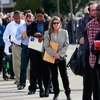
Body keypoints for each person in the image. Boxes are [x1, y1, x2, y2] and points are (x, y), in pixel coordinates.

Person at [43, 16, 71, 100]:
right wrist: (54, 54)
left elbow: (66, 45)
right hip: (52, 57)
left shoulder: (64, 32)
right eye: (54, 23)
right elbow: (46, 46)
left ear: (60, 23)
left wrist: (60, 54)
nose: (56, 24)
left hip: (61, 57)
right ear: (51, 24)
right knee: (54, 76)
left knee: (64, 76)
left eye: (57, 23)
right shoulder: (47, 33)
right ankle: (56, 93)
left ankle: (67, 93)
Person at [27, 7, 50, 97]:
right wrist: (34, 34)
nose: (39, 18)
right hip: (36, 49)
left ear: (43, 16)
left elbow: (51, 33)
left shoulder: (48, 23)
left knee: (46, 70)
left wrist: (43, 36)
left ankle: (47, 88)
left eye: (41, 16)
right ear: (36, 16)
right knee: (37, 70)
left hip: (46, 49)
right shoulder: (33, 24)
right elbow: (29, 33)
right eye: (38, 16)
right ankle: (41, 89)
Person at [76, 1, 97, 100]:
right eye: (93, 10)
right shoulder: (84, 22)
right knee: (88, 81)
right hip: (88, 53)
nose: (95, 12)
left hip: (97, 53)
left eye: (96, 10)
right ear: (88, 11)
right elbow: (81, 39)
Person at [3, 10, 25, 86]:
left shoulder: (24, 23)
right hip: (15, 45)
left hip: (25, 45)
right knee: (16, 64)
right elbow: (5, 37)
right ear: (13, 17)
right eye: (15, 18)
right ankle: (18, 80)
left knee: (26, 63)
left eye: (18, 18)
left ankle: (26, 78)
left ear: (21, 16)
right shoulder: (10, 25)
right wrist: (9, 45)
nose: (17, 20)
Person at [16, 13, 34, 90]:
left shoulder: (34, 26)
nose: (29, 23)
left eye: (31, 21)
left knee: (33, 66)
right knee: (23, 66)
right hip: (25, 46)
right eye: (28, 21)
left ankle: (34, 83)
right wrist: (22, 36)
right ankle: (22, 83)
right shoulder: (21, 27)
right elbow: (16, 37)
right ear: (25, 19)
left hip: (33, 47)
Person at [87, 4, 100, 100]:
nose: (98, 12)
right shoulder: (91, 24)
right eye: (97, 10)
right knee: (96, 88)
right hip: (95, 60)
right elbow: (92, 43)